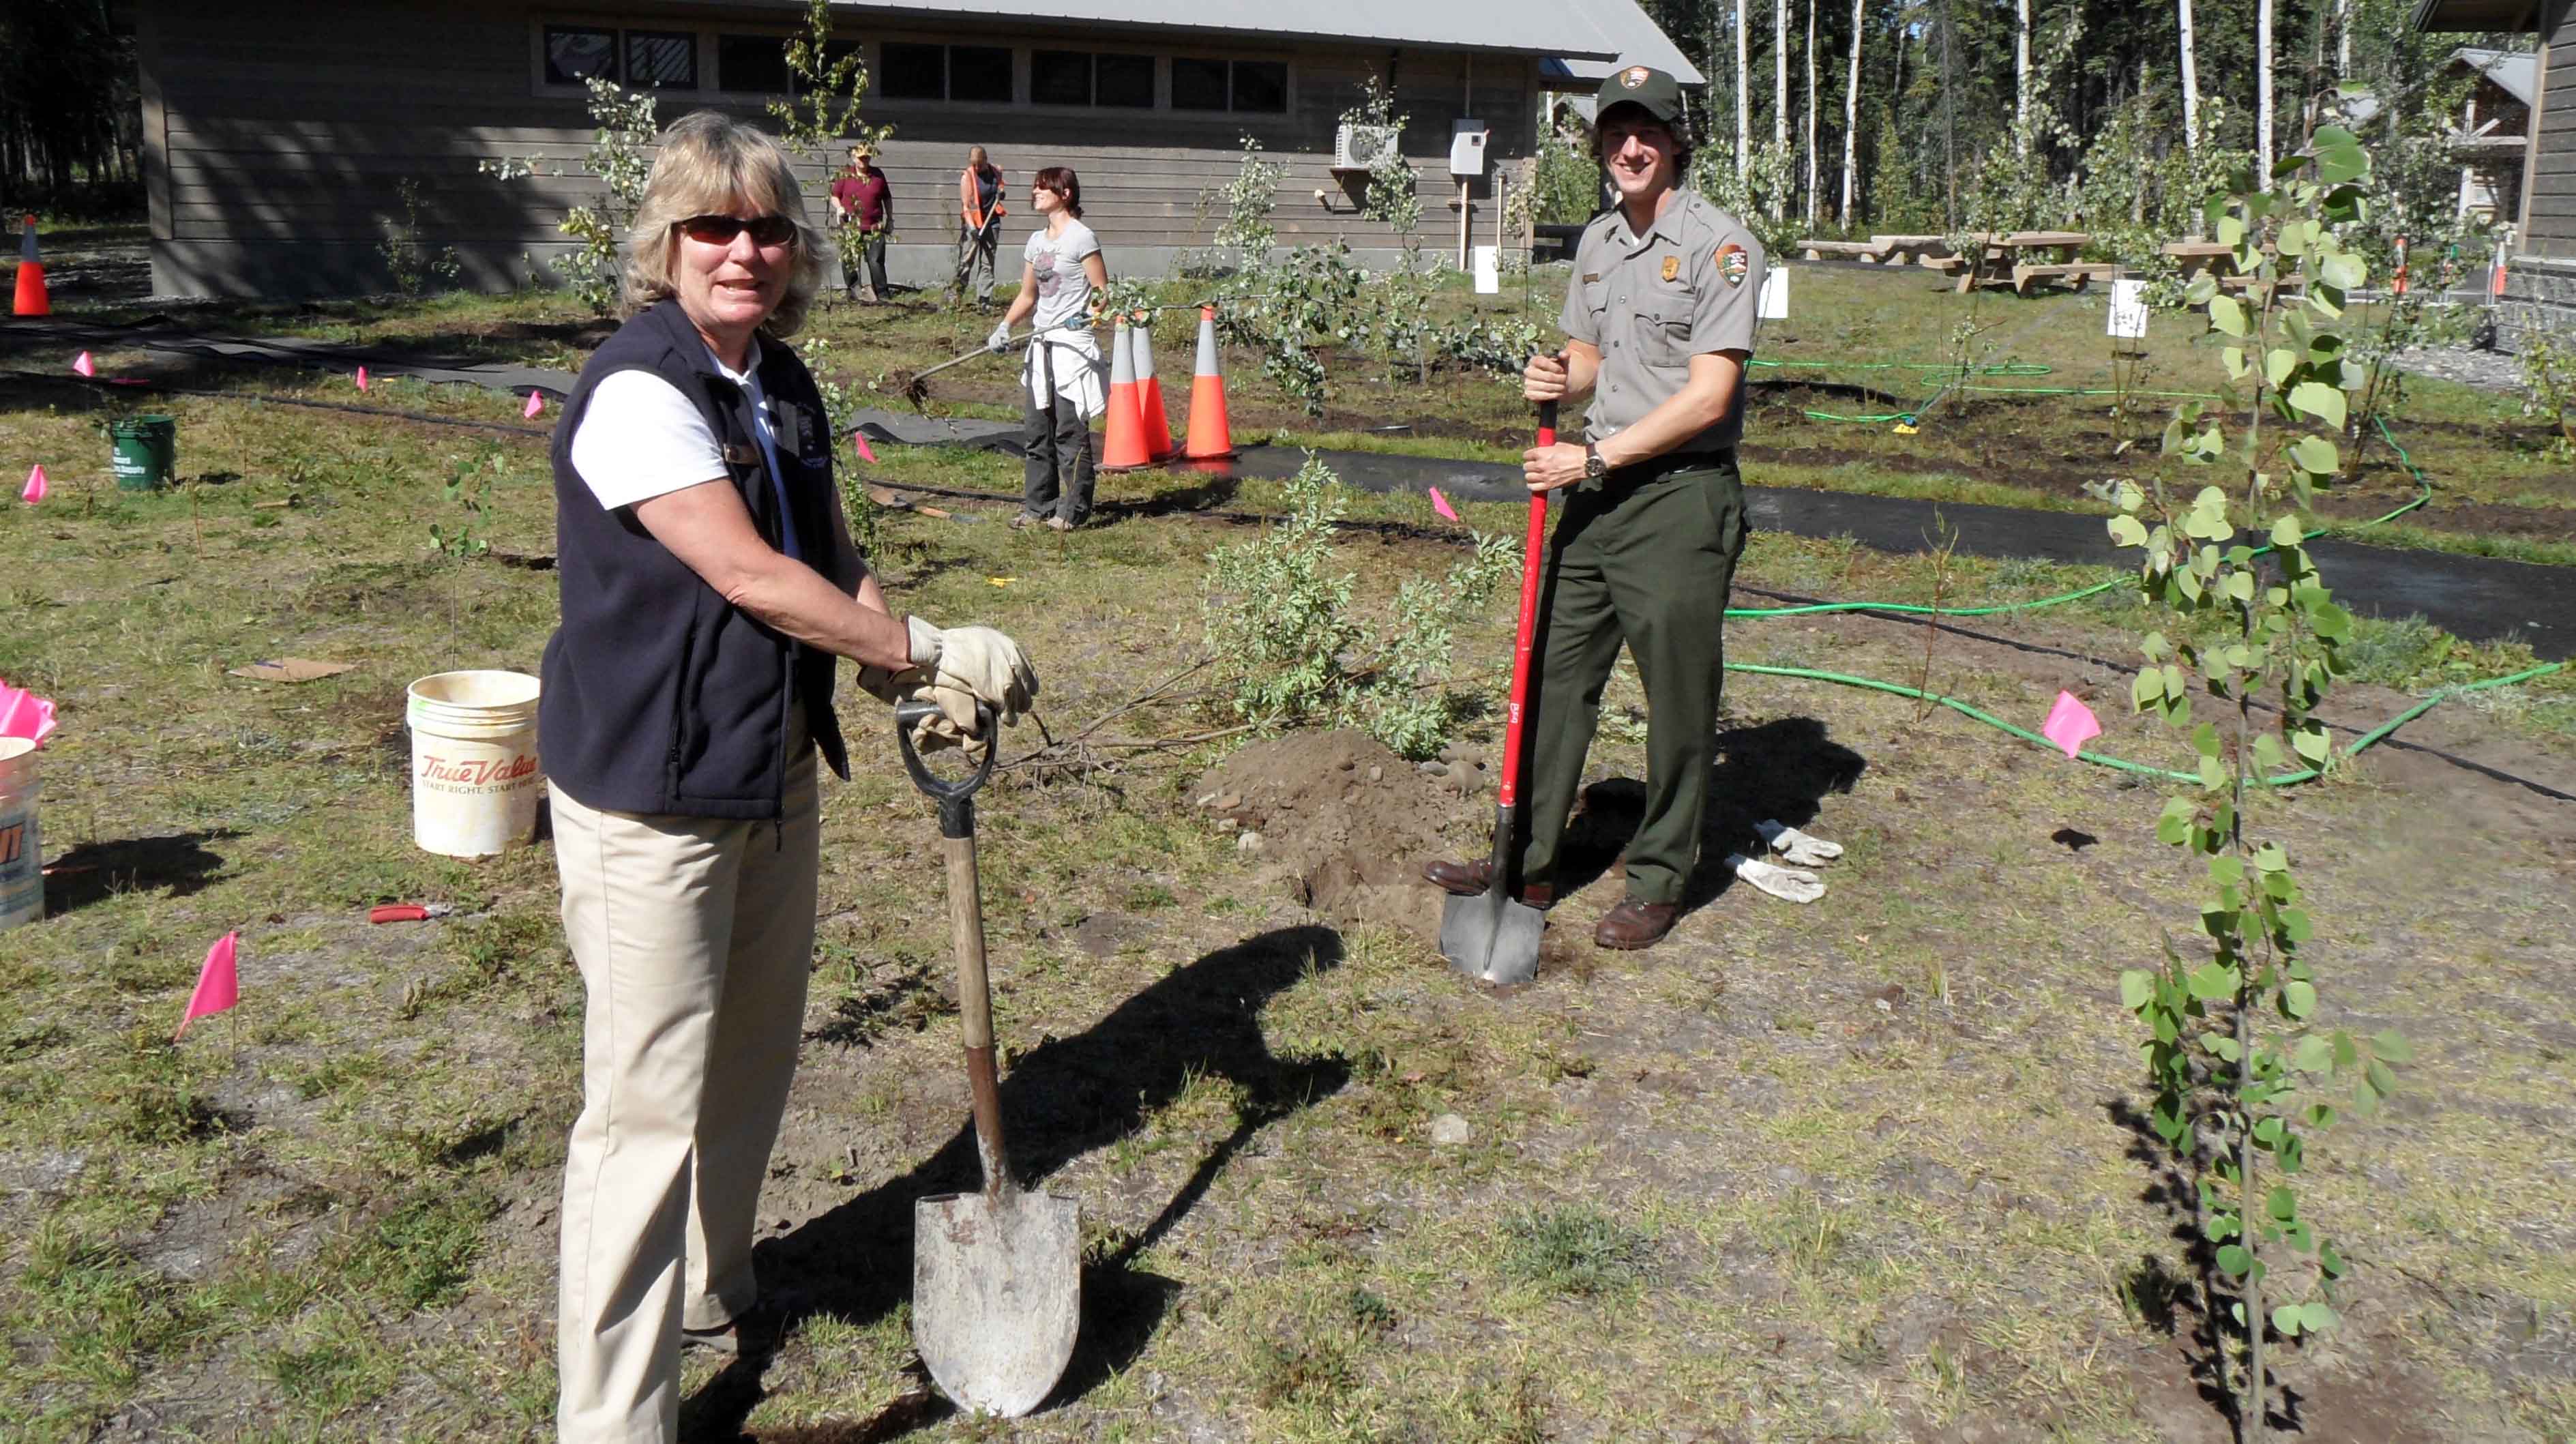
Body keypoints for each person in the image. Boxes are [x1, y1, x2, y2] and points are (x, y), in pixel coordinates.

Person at [540, 110, 1037, 1444]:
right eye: (711, 225)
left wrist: (901, 675)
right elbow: (746, 571)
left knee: (751, 1059)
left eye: (765, 227)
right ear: (665, 243)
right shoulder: (639, 390)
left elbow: (823, 557)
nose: (741, 251)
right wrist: (921, 642)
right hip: (652, 792)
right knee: (644, 1110)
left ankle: (711, 1283)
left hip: (766, 771)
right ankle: (612, 1418)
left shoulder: (782, 381)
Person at [1420, 65, 1766, 952]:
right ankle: (1527, 860)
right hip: (1598, 493)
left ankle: (1659, 878)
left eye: (1646, 132)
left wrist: (1595, 455)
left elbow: (1708, 397)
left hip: (1680, 497)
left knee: (1676, 698)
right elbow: (1590, 359)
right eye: (1616, 132)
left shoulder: (1724, 247)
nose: (1630, 147)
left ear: (1677, 142)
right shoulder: (1600, 242)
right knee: (1551, 673)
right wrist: (1556, 376)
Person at [986, 166, 1106, 531]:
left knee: (1069, 432)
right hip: (1042, 345)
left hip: (1071, 348)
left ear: (1065, 193)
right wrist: (1005, 327)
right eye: (1035, 187)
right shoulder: (1036, 242)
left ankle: (1073, 511)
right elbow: (1028, 295)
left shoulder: (1082, 238)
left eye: (1043, 188)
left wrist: (1085, 318)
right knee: (1038, 431)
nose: (1035, 192)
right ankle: (1038, 507)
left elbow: (1102, 293)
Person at [827, 141, 889, 303]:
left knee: (876, 261)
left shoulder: (877, 175)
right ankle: (854, 292)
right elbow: (834, 196)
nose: (864, 161)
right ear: (854, 158)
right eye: (861, 158)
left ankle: (882, 292)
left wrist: (890, 219)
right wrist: (839, 208)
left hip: (874, 226)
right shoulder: (845, 174)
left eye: (867, 158)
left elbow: (887, 198)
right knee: (850, 260)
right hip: (850, 226)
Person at [955, 144, 1005, 306]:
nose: (976, 168)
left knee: (988, 262)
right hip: (973, 224)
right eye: (973, 164)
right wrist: (972, 228)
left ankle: (984, 299)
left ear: (986, 160)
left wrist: (1001, 192)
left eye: (980, 164)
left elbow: (1000, 185)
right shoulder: (967, 177)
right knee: (966, 261)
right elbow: (966, 207)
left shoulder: (996, 171)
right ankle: (956, 297)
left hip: (992, 222)